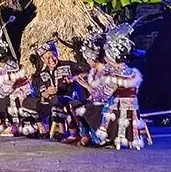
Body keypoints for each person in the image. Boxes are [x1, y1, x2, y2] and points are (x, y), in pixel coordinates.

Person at [96, 20, 148, 150]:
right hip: (133, 106)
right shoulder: (132, 72)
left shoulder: (114, 75)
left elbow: (105, 95)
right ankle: (131, 139)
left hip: (118, 106)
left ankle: (111, 139)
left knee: (101, 111)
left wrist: (94, 93)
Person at [33, 39, 84, 142]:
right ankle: (44, 129)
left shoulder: (68, 65)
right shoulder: (42, 74)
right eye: (47, 58)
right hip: (51, 102)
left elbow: (86, 72)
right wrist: (48, 92)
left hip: (69, 98)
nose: (51, 60)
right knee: (31, 102)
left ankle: (71, 133)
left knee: (60, 103)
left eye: (53, 56)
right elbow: (41, 92)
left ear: (57, 54)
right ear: (43, 60)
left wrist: (73, 78)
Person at [74, 28, 109, 146]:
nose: (87, 61)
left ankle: (99, 137)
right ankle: (86, 135)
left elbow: (104, 95)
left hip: (107, 103)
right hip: (95, 100)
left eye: (88, 58)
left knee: (87, 107)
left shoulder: (106, 72)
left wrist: (88, 86)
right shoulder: (93, 71)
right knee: (76, 104)